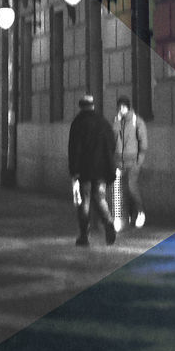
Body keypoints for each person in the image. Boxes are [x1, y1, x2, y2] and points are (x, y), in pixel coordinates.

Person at [68, 93, 117, 248]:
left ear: (81, 107)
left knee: (84, 202)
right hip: (101, 170)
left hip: (84, 170)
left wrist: (74, 170)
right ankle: (108, 222)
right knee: (100, 197)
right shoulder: (103, 123)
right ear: (93, 106)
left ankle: (84, 235)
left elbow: (74, 149)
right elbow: (112, 145)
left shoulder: (78, 123)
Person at [113, 94, 148, 228]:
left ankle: (140, 212)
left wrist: (139, 160)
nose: (120, 109)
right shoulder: (118, 121)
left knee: (131, 186)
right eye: (119, 107)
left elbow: (143, 142)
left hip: (133, 161)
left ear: (126, 107)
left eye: (122, 107)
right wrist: (116, 123)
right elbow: (113, 137)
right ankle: (128, 216)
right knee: (123, 190)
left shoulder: (136, 121)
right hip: (119, 161)